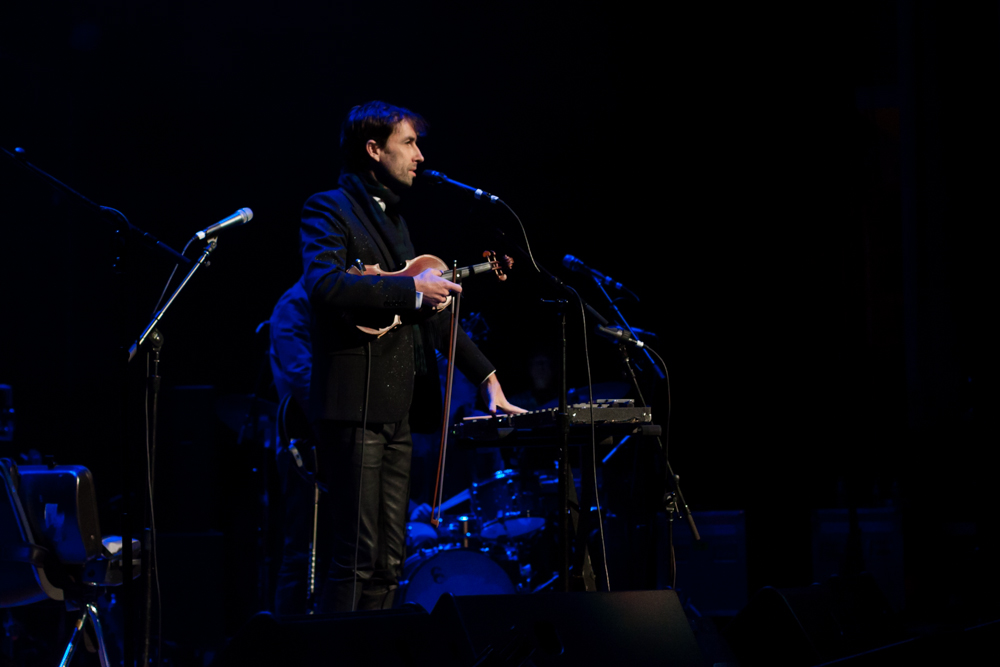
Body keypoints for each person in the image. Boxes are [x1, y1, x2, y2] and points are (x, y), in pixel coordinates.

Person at [300, 100, 523, 612]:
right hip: (352, 408)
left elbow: (432, 314)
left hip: (395, 410)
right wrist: (409, 286)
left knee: (389, 564)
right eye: (409, 143)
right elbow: (324, 284)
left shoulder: (394, 221)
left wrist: (487, 377)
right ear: (374, 150)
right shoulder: (327, 207)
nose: (420, 155)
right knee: (356, 559)